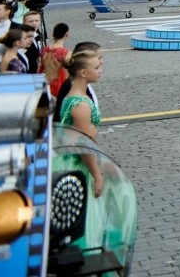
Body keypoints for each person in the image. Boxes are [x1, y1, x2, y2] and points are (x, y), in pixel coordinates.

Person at [52, 51, 137, 259]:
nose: (100, 71)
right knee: (88, 218)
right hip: (81, 164)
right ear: (83, 72)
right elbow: (84, 145)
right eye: (96, 68)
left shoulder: (74, 96)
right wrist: (97, 174)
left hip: (73, 160)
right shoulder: (80, 103)